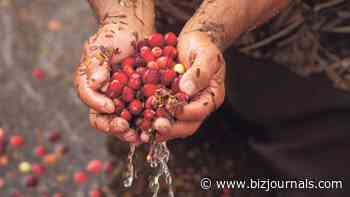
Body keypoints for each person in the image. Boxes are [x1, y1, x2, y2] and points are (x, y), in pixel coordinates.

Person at [75, 0, 350, 196]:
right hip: (171, 18)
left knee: (317, 155)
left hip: (306, 28)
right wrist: (123, 15)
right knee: (189, 120)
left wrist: (212, 28)